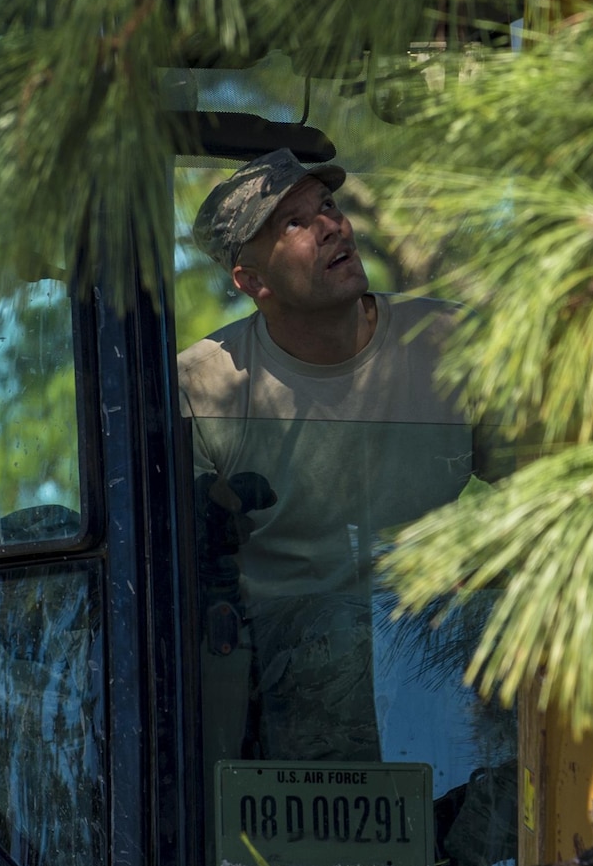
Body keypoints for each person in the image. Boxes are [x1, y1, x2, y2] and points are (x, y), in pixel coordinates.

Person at [177, 147, 492, 766]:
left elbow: (552, 491)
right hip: (280, 681)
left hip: (432, 651)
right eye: (293, 223)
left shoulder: (453, 347)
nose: (331, 226)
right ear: (252, 282)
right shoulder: (202, 388)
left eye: (327, 206)